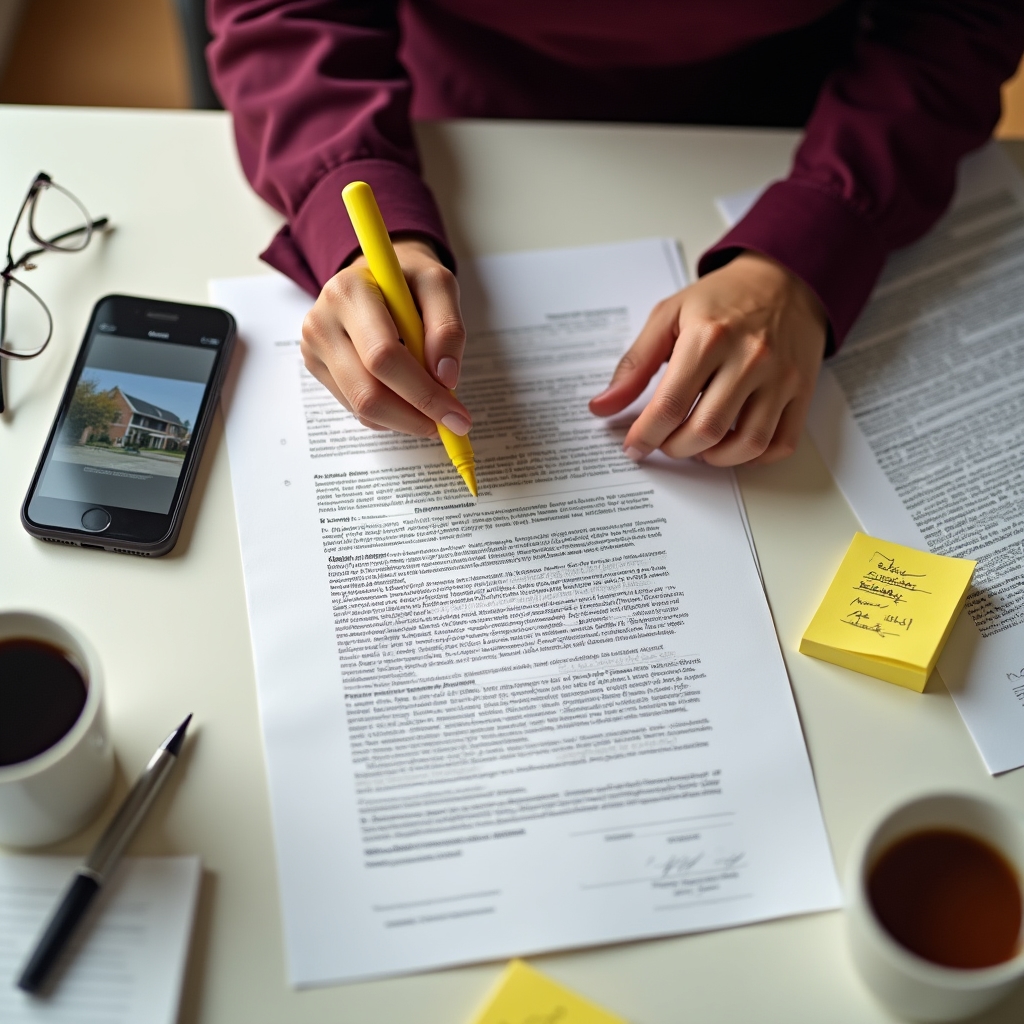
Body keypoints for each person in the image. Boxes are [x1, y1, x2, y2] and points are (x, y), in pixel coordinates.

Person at [207, 1, 1024, 466]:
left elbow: (964, 15)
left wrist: (813, 241)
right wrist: (357, 204)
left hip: (805, 111)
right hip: (440, 113)